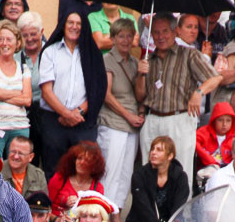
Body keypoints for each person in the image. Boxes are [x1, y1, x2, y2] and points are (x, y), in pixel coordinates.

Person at [136, 12, 221, 191]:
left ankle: (180, 217)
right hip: (152, 119)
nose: (161, 36)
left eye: (165, 31)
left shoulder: (189, 55)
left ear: (175, 32)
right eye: (156, 32)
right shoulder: (148, 60)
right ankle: (151, 215)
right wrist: (141, 75)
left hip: (180, 118)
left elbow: (215, 78)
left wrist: (198, 93)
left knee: (181, 170)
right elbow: (140, 96)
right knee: (149, 169)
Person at [38, 11, 106, 180]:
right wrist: (66, 113)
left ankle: (80, 206)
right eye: (70, 22)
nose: (74, 27)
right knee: (53, 171)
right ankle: (54, 206)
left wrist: (77, 113)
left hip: (82, 120)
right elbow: (46, 91)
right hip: (53, 120)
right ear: (63, 24)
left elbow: (97, 89)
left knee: (84, 169)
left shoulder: (92, 54)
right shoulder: (50, 52)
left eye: (79, 23)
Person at [96, 17, 145, 210]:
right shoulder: (107, 60)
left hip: (131, 124)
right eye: (121, 36)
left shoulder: (134, 62)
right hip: (113, 122)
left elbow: (139, 95)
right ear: (113, 38)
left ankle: (117, 210)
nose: (125, 40)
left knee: (126, 172)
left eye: (129, 36)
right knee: (111, 171)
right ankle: (105, 211)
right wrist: (129, 115)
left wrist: (140, 111)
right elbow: (106, 95)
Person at [123, 135, 190, 222]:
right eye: (152, 149)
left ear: (170, 156)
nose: (153, 153)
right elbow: (144, 210)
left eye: (159, 150)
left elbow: (178, 209)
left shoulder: (180, 177)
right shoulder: (140, 175)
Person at [0, 20, 32, 155]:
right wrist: (16, 93)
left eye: (9, 39)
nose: (4, 43)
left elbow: (27, 100)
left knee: (17, 168)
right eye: (1, 39)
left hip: (19, 125)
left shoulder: (23, 68)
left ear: (18, 43)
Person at [47, 140, 106, 222]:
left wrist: (81, 204)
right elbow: (46, 207)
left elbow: (97, 215)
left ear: (94, 166)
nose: (81, 162)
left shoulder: (97, 187)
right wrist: (56, 219)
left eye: (86, 160)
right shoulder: (60, 178)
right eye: (79, 158)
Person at [17, 10, 45, 163]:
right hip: (25, 115)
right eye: (25, 35)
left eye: (33, 34)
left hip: (47, 114)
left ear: (41, 32)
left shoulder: (51, 54)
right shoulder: (15, 58)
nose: (29, 39)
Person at [195, 101, 235, 172]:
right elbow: (194, 142)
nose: (224, 124)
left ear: (233, 121)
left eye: (228, 121)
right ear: (214, 120)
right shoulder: (203, 132)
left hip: (230, 168)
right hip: (207, 166)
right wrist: (208, 158)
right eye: (220, 120)